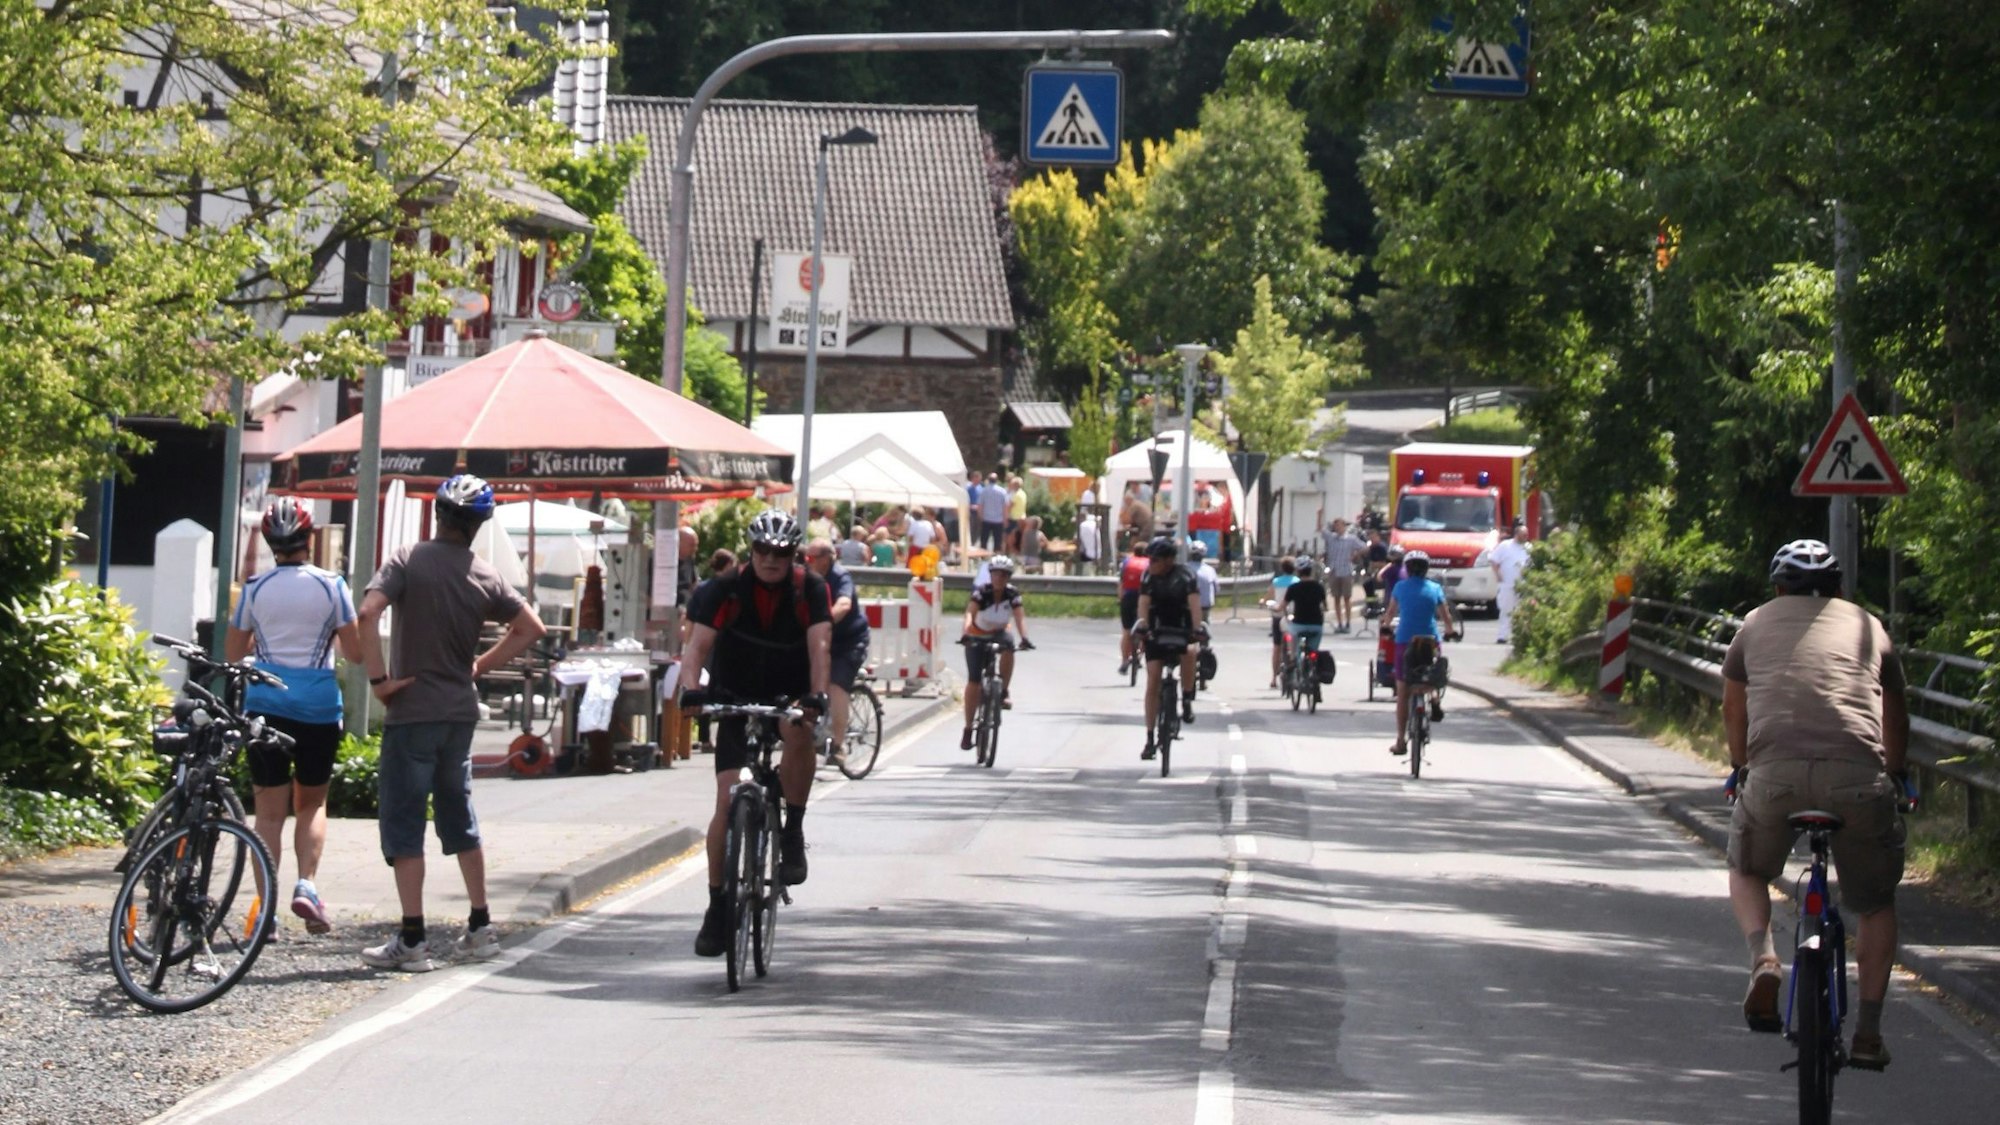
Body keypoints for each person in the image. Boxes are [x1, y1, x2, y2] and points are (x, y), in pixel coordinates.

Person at [1723, 539, 1908, 1069]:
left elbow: (1733, 705)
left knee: (1746, 866)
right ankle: (1869, 1032)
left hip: (1774, 775)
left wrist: (1741, 766)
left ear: (1778, 589)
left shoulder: (1755, 623)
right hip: (1857, 778)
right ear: (1839, 589)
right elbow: (1895, 712)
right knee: (1874, 904)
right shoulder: (1869, 627)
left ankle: (1764, 957)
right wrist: (1895, 773)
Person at [356, 475, 546, 971]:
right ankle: (481, 925)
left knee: (404, 822)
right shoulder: (485, 575)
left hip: (411, 711)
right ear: (480, 524)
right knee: (459, 817)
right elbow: (531, 628)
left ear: (438, 514)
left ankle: (413, 938)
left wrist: (379, 679)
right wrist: (479, 666)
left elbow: (367, 613)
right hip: (459, 713)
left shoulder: (406, 560)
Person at [678, 509, 832, 957]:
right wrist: (691, 691)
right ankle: (717, 904)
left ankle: (793, 829)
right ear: (751, 550)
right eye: (763, 551)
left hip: (789, 690)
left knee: (798, 732)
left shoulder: (810, 589)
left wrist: (817, 695)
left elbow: (820, 647)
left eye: (781, 553)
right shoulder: (723, 590)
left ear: (793, 555)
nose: (771, 560)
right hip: (735, 691)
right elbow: (697, 649)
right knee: (726, 801)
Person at [225, 498, 362, 936]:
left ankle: (265, 910)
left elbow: (232, 655)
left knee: (267, 812)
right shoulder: (332, 586)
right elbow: (355, 651)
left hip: (266, 706)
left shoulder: (255, 588)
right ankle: (307, 885)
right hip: (318, 707)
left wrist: (264, 650)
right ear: (310, 538)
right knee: (312, 803)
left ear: (270, 543)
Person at [1134, 537, 1205, 759]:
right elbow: (1143, 605)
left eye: (1155, 560)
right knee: (1153, 679)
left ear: (1168, 560)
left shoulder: (1186, 576)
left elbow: (1194, 606)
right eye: (1149, 559)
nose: (1150, 564)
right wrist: (1143, 625)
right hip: (1157, 630)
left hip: (1181, 628)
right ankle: (1149, 738)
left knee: (1191, 653)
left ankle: (1186, 698)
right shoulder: (1148, 577)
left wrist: (1197, 628)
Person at [803, 538, 871, 769]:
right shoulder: (807, 578)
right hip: (821, 640)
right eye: (806, 558)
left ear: (826, 559)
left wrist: (825, 621)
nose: (807, 562)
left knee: (836, 685)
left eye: (811, 558)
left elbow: (843, 604)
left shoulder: (840, 577)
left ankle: (839, 746)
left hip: (848, 641)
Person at [1385, 549, 1458, 757]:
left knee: (1403, 690)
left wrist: (1386, 626)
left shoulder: (1400, 587)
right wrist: (1451, 632)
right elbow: (1446, 615)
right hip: (1429, 640)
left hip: (1405, 641)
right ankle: (1434, 699)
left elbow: (1390, 612)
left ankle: (1400, 740)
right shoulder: (1435, 588)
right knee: (1431, 673)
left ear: (1407, 569)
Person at [959, 555, 1033, 748]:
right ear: (990, 576)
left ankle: (1004, 691)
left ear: (1008, 578)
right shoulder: (982, 593)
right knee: (974, 681)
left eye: (1004, 576)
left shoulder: (1012, 594)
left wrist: (1024, 637)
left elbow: (1019, 618)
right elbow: (970, 613)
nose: (999, 579)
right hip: (977, 634)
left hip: (999, 633)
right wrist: (966, 633)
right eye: (996, 575)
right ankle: (968, 729)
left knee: (1009, 646)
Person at [1320, 517, 1366, 634]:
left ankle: (1348, 623)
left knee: (1347, 598)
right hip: (1334, 570)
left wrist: (1355, 555)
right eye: (1336, 526)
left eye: (1340, 525)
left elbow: (1365, 547)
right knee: (1336, 598)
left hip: (1346, 571)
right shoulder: (1331, 538)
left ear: (1344, 526)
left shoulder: (1351, 539)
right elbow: (1321, 529)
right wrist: (1319, 516)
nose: (1338, 528)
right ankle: (1339, 623)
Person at [1490, 519, 1533, 644]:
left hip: (1523, 585)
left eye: (1526, 535)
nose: (1526, 537)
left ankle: (1520, 636)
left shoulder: (1529, 547)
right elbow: (1494, 560)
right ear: (1517, 534)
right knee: (1506, 610)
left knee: (1523, 611)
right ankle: (1503, 635)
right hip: (1507, 584)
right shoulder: (1505, 546)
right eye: (1523, 535)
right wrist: (1497, 574)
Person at [1283, 557, 1330, 667]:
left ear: (1298, 571)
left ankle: (1293, 659)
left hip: (1299, 625)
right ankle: (1312, 666)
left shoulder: (1293, 588)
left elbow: (1283, 606)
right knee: (1313, 651)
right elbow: (1325, 606)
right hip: (1316, 625)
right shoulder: (1319, 587)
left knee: (1290, 634)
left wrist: (1285, 614)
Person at [1116, 541, 1149, 677]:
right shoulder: (1150, 563)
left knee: (1126, 632)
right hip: (1144, 599)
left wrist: (1120, 599)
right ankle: (1140, 656)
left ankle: (1124, 661)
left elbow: (1121, 583)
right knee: (1146, 630)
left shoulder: (1126, 562)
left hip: (1128, 598)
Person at [1267, 556, 1299, 688]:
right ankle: (1295, 668)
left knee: (1277, 647)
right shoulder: (1297, 581)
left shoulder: (1276, 581)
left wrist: (1263, 602)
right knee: (1294, 644)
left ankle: (1274, 678)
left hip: (1278, 614)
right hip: (1293, 614)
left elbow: (1269, 596)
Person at [978, 474, 1009, 551]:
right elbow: (1005, 507)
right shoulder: (1002, 491)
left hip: (986, 519)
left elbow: (980, 506)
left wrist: (980, 517)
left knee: (984, 540)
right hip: (998, 520)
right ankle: (996, 556)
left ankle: (983, 557)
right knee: (997, 541)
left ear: (988, 480)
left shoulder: (984, 491)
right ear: (997, 480)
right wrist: (1005, 519)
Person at [1077, 507, 1102, 575]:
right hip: (1099, 553)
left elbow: (1076, 540)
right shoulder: (1093, 523)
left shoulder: (1082, 525)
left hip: (1088, 555)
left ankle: (1075, 574)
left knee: (1071, 557)